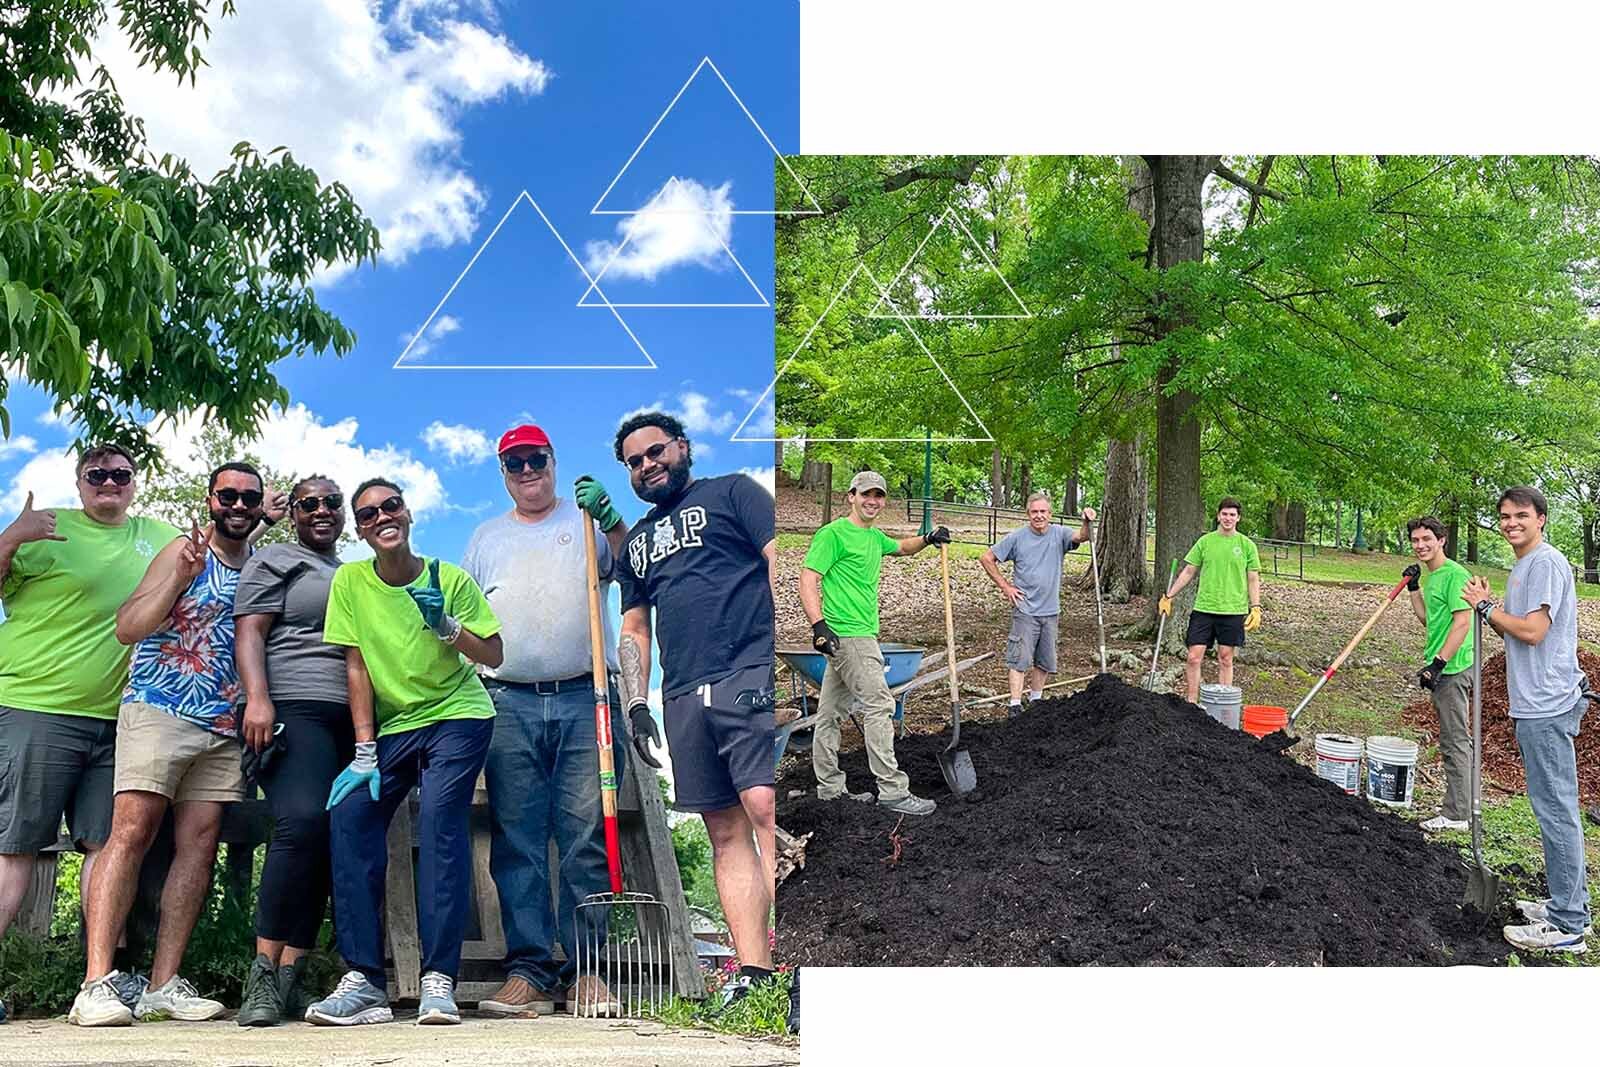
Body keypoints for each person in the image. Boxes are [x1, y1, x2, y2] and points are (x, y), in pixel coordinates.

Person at [72, 462, 265, 1027]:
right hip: (159, 706)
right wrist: (178, 580)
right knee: (130, 832)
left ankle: (162, 985)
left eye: (248, 497)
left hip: (223, 724)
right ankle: (96, 983)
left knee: (199, 847)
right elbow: (128, 626)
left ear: (258, 507)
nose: (237, 503)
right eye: (227, 494)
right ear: (210, 499)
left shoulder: (259, 567)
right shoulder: (184, 550)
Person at [306, 479, 503, 1026]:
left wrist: (448, 626)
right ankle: (365, 981)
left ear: (407, 513)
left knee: (441, 824)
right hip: (396, 727)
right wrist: (364, 751)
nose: (380, 517)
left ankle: (439, 979)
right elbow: (357, 666)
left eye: (389, 506)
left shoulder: (450, 579)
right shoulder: (350, 581)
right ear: (360, 528)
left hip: (458, 715)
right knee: (350, 815)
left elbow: (494, 653)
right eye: (366, 514)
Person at [0, 446, 180, 1025]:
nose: (109, 483)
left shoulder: (158, 533)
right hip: (35, 704)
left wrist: (269, 511)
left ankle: (98, 983)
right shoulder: (46, 528)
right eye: (96, 475)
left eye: (121, 475)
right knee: (15, 848)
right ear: (79, 483)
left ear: (134, 484)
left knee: (109, 847)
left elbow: (217, 549)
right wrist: (10, 536)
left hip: (120, 718)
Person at [461, 424, 629, 1018]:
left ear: (553, 461)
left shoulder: (581, 522)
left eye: (535, 460)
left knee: (586, 835)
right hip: (509, 701)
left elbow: (626, 563)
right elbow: (468, 622)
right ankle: (529, 970)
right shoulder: (486, 538)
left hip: (589, 697)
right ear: (503, 473)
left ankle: (588, 972)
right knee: (517, 839)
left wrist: (609, 518)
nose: (527, 472)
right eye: (514, 464)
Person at [613, 411, 777, 1007]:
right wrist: (637, 702)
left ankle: (802, 958)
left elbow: (776, 557)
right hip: (682, 693)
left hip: (749, 670)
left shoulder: (733, 491)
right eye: (635, 461)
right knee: (723, 827)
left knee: (764, 804)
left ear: (682, 447)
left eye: (656, 452)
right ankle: (757, 976)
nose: (648, 465)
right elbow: (635, 626)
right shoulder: (635, 542)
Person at [232, 476, 351, 1025]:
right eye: (310, 504)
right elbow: (251, 632)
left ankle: (290, 977)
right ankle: (261, 973)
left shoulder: (354, 572)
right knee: (299, 823)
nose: (322, 511)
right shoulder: (276, 558)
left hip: (352, 718)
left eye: (332, 503)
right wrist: (259, 698)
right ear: (295, 512)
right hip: (291, 706)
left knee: (331, 839)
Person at [1463, 487, 1592, 954]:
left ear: (1541, 518)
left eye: (1521, 515)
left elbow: (1534, 633)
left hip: (1548, 704)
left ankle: (1567, 925)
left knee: (1556, 810)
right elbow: (1513, 628)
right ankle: (1570, 902)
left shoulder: (1545, 563)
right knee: (1555, 808)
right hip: (1537, 701)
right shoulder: (1526, 566)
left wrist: (1485, 608)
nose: (1511, 522)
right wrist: (1490, 607)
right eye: (1504, 516)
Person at [801, 470, 949, 817]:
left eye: (878, 496)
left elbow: (901, 548)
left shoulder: (872, 536)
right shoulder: (833, 534)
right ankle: (893, 790)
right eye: (865, 494)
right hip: (848, 634)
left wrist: (927, 538)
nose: (872, 501)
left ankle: (830, 790)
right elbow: (808, 578)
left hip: (857, 634)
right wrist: (819, 625)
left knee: (829, 715)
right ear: (851, 495)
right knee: (880, 704)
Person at [979, 492, 1097, 716]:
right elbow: (986, 558)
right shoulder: (1017, 538)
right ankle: (1015, 704)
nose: (1039, 516)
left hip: (1051, 610)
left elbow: (1082, 536)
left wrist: (1086, 520)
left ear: (1050, 514)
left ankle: (1035, 702)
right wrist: (1006, 587)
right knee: (1019, 659)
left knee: (1044, 660)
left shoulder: (1059, 534)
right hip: (1025, 610)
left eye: (1043, 512)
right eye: (1034, 512)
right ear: (1028, 514)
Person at [1402, 516, 1475, 833]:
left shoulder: (1455, 574)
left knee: (1455, 741)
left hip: (1455, 668)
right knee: (1452, 739)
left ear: (1442, 539)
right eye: (1416, 540)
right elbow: (1427, 620)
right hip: (1445, 665)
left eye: (1426, 539)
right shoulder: (1433, 576)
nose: (1420, 545)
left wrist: (1439, 664)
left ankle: (1458, 814)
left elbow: (1463, 622)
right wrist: (1414, 587)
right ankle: (1461, 806)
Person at [1159, 498, 1262, 704]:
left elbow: (1253, 578)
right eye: (1224, 514)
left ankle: (1223, 706)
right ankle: (1191, 702)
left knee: (1225, 658)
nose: (1228, 518)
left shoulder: (1247, 545)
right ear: (1218, 516)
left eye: (1232, 515)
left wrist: (1256, 607)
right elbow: (1189, 571)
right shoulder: (1205, 542)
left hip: (1233, 610)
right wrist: (1169, 596)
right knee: (1193, 657)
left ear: (1238, 518)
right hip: (1204, 608)